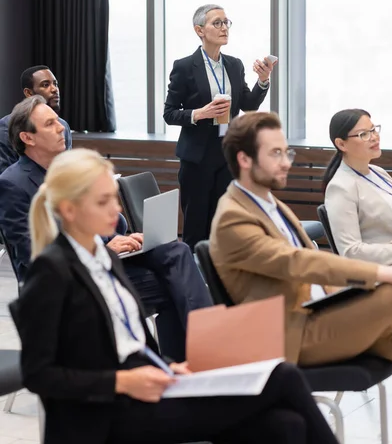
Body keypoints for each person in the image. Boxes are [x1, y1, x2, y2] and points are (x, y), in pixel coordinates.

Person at [9, 147, 341, 444]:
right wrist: (122, 382)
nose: (116, 209)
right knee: (283, 377)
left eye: (114, 197)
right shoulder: (51, 271)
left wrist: (170, 366)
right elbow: (40, 375)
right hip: (107, 410)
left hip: (148, 386)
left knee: (284, 425)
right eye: (103, 201)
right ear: (68, 210)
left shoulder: (103, 255)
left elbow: (132, 340)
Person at [0, 96, 212, 361]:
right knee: (174, 283)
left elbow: (94, 226)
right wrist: (101, 247)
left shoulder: (67, 170)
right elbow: (32, 256)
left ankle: (194, 354)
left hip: (109, 260)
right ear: (27, 138)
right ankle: (198, 354)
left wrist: (122, 238)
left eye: (58, 121)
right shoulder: (13, 184)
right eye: (50, 123)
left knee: (174, 249)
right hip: (73, 279)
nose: (61, 127)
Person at [210, 111, 392, 366]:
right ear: (244, 159)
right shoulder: (232, 217)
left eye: (287, 153)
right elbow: (299, 262)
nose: (286, 163)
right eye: (275, 154)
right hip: (291, 334)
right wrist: (382, 273)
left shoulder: (268, 202)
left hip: (322, 309)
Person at [164, 3, 276, 250]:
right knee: (196, 225)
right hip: (197, 156)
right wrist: (199, 113)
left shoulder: (234, 65)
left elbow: (248, 104)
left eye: (226, 22)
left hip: (226, 151)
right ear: (199, 30)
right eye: (217, 23)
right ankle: (194, 279)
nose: (224, 27)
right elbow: (169, 113)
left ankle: (220, 277)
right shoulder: (184, 67)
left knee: (223, 221)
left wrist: (263, 80)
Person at [323, 108, 392, 264]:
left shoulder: (378, 172)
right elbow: (351, 253)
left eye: (373, 130)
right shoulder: (340, 188)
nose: (374, 137)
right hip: (386, 270)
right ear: (341, 144)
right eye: (363, 134)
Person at [0, 65, 72, 174]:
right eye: (45, 85)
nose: (54, 89)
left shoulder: (63, 125)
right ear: (28, 93)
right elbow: (4, 176)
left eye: (55, 84)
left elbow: (66, 167)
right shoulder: (7, 126)